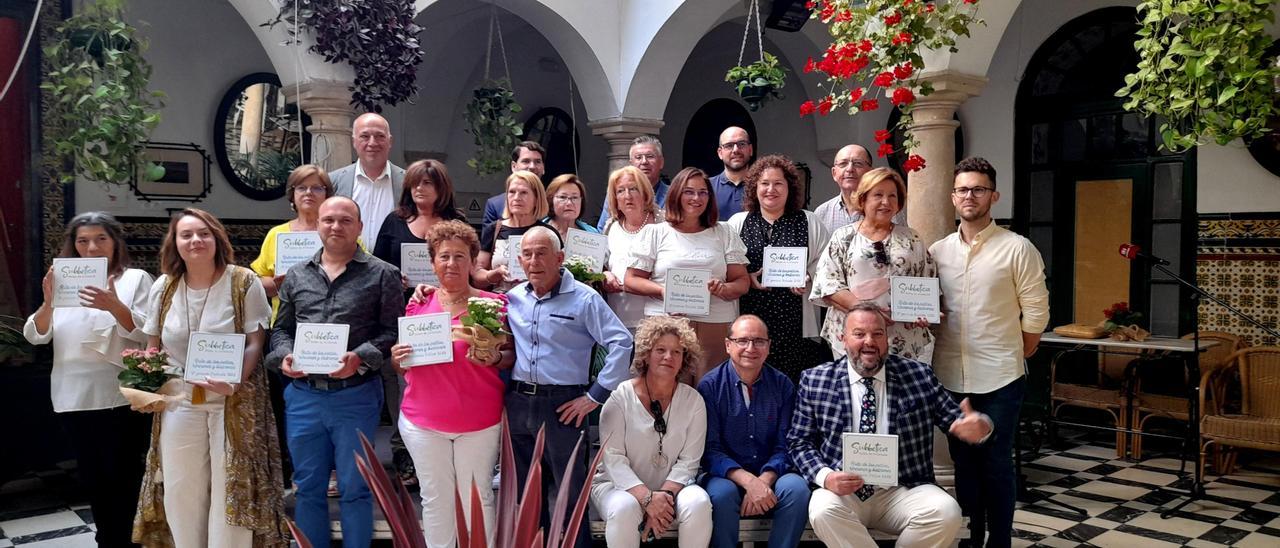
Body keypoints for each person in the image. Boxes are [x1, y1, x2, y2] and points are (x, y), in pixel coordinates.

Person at [134, 208, 289, 548]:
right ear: (174, 243)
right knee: (180, 485)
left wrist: (234, 380)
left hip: (232, 400)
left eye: (203, 233)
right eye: (186, 235)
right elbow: (153, 345)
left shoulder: (243, 281)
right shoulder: (164, 286)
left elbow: (255, 342)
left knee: (229, 485)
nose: (195, 240)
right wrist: (144, 378)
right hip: (179, 401)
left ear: (217, 238)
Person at [788, 303, 994, 547]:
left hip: (903, 489)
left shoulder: (918, 375)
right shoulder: (816, 379)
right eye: (859, 334)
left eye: (877, 334)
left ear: (887, 338)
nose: (869, 342)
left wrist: (979, 427)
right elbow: (799, 442)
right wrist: (826, 477)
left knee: (946, 512)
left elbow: (957, 419)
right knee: (822, 509)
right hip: (844, 490)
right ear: (842, 339)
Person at [266, 197, 404, 548]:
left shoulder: (383, 274)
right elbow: (280, 330)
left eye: (345, 220)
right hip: (304, 395)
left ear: (359, 228)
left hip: (355, 395)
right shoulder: (296, 275)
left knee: (355, 486)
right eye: (328, 220)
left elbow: (393, 331)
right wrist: (284, 356)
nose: (335, 227)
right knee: (308, 486)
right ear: (318, 226)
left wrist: (361, 356)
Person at [930, 157, 1050, 547]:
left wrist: (1016, 353)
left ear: (993, 196)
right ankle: (974, 533)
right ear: (952, 197)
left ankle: (999, 540)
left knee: (996, 464)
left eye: (978, 189)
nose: (970, 196)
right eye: (963, 189)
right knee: (963, 463)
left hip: (1000, 377)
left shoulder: (1017, 248)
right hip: (950, 374)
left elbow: (1035, 313)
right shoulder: (937, 251)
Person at [23, 212, 153, 548]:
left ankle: (128, 540)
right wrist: (49, 302)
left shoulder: (135, 278)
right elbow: (37, 335)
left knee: (123, 476)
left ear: (115, 243)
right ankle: (106, 538)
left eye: (100, 239)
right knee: (93, 477)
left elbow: (145, 331)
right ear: (74, 245)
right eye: (83, 241)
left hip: (119, 394)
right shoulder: (64, 279)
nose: (92, 247)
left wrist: (113, 305)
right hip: (72, 393)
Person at [506, 225, 634, 544]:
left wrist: (595, 396)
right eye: (528, 254)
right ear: (520, 260)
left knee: (570, 495)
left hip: (564, 406)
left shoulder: (584, 298)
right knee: (526, 496)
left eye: (542, 253)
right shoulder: (512, 299)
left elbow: (622, 342)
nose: (534, 261)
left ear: (560, 258)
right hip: (519, 404)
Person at [389, 220, 513, 547]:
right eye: (444, 256)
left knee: (477, 499)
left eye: (460, 256)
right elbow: (405, 367)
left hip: (479, 422)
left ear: (474, 262)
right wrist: (396, 359)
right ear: (432, 263)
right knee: (435, 500)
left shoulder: (494, 305)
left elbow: (511, 357)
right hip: (423, 422)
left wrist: (495, 358)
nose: (452, 263)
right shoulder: (418, 303)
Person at [371, 158, 466, 486]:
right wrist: (395, 279)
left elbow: (467, 268)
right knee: (404, 383)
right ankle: (403, 451)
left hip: (448, 314)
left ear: (442, 188)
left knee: (443, 382)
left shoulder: (456, 222)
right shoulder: (394, 222)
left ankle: (444, 448)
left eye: (428, 183)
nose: (421, 189)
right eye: (415, 184)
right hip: (404, 315)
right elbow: (378, 267)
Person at [592, 315, 711, 548]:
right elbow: (613, 460)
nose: (669, 357)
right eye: (661, 350)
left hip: (671, 487)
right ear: (646, 354)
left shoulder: (694, 401)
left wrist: (661, 500)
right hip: (618, 487)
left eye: (677, 352)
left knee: (698, 502)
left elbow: (689, 462)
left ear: (684, 359)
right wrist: (647, 498)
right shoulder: (619, 398)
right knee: (624, 507)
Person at [626, 167, 750, 383]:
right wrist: (664, 291)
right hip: (666, 323)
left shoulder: (724, 232)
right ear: (676, 194)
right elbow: (631, 280)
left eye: (703, 192)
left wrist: (724, 289)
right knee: (665, 388)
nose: (696, 198)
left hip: (715, 322)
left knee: (710, 389)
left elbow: (742, 282)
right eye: (689, 192)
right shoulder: (656, 233)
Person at [697, 315, 809, 548]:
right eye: (742, 341)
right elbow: (710, 449)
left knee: (796, 489)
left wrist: (764, 481)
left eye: (759, 341)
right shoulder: (710, 386)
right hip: (725, 476)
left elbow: (787, 444)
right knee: (722, 495)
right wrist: (749, 481)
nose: (751, 348)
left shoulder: (783, 385)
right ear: (728, 345)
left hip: (772, 473)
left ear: (768, 347)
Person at [810, 167, 936, 363]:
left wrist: (924, 312)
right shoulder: (843, 237)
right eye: (878, 195)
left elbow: (927, 283)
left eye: (892, 196)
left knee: (902, 392)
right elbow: (827, 284)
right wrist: (870, 314)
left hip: (902, 336)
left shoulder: (912, 238)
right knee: (856, 390)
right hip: (854, 336)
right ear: (863, 199)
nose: (886, 202)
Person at [726, 154, 832, 381]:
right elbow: (727, 265)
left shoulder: (808, 221)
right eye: (764, 183)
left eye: (778, 183)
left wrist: (808, 277)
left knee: (792, 383)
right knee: (754, 379)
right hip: (751, 314)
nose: (770, 189)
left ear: (789, 188)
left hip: (794, 322)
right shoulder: (738, 223)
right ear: (754, 187)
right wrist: (747, 276)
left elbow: (826, 262)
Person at [330, 112, 407, 246]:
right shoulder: (333, 181)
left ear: (390, 141)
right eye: (365, 136)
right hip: (348, 263)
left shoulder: (409, 182)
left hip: (393, 264)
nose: (372, 143)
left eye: (380, 136)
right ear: (354, 141)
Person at [601, 166, 662, 330]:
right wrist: (605, 275)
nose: (627, 196)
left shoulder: (662, 225)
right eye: (620, 191)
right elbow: (603, 265)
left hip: (655, 320)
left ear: (645, 193)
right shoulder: (611, 228)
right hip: (618, 319)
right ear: (614, 198)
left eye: (633, 189)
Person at [476, 170, 557, 293]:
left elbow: (558, 271)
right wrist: (493, 275)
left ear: (536, 198)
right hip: (501, 302)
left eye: (524, 193)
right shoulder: (494, 229)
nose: (516, 198)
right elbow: (477, 273)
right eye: (512, 192)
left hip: (538, 301)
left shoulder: (547, 233)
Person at [813, 144, 905, 233]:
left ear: (870, 172)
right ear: (834, 173)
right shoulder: (822, 213)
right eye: (843, 164)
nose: (850, 169)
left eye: (857, 163)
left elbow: (903, 244)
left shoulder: (886, 207)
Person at [596, 136, 670, 230]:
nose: (644, 162)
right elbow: (602, 230)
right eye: (638, 157)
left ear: (661, 162)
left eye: (650, 156)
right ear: (631, 164)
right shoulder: (618, 194)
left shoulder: (673, 195)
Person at [483, 141, 547, 229]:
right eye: (526, 161)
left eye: (538, 162)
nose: (532, 166)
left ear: (543, 167)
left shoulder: (555, 202)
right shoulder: (495, 205)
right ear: (514, 166)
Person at [709, 126, 753, 220]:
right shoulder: (707, 187)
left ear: (750, 150)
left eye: (741, 144)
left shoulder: (764, 187)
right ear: (720, 153)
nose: (736, 150)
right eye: (729, 145)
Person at [543, 173, 600, 239]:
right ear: (551, 200)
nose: (569, 203)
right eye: (563, 197)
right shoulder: (537, 231)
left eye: (575, 197)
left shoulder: (593, 234)